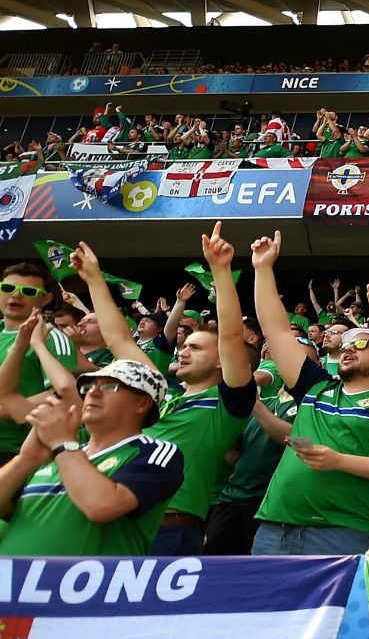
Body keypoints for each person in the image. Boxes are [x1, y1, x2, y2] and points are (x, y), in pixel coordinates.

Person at [76, 228, 255, 555]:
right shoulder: (160, 392)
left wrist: (220, 271)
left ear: (223, 363)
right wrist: (93, 279)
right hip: (106, 520)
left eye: (197, 348)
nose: (183, 351)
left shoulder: (226, 405)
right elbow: (120, 342)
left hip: (169, 530)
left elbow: (230, 336)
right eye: (184, 345)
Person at [249, 231, 369, 555]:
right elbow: (275, 330)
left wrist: (338, 461)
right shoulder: (314, 386)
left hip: (341, 532)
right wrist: (263, 270)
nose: (348, 349)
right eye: (345, 345)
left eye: (361, 344)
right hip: (274, 525)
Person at [0, 339, 184, 557]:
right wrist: (25, 460)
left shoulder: (154, 452)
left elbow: (101, 506)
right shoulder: (59, 454)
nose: (92, 394)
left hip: (82, 588)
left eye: (109, 386)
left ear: (142, 403)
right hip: (15, 586)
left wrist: (63, 444)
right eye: (88, 387)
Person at [0, 260, 77, 466]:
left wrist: (4, 410)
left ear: (46, 299)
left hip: (17, 450)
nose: (16, 295)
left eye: (28, 291)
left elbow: (61, 394)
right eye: (8, 288)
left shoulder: (51, 337)